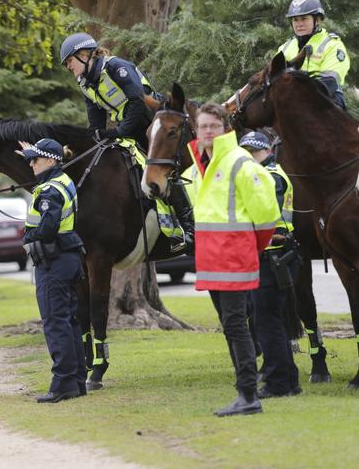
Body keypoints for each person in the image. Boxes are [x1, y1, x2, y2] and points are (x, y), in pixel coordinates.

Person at [60, 32, 194, 254]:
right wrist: (95, 140)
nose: (68, 67)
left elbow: (137, 102)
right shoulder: (84, 82)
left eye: (69, 61)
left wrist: (119, 131)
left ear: (84, 55)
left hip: (151, 123)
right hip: (128, 127)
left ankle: (190, 229)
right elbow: (95, 118)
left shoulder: (116, 67)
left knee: (162, 171)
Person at [191, 104, 280, 417]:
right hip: (213, 262)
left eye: (214, 126)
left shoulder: (238, 161)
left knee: (237, 327)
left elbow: (268, 212)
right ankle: (245, 393)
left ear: (225, 127)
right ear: (197, 130)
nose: (208, 132)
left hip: (234, 260)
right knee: (231, 327)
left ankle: (248, 395)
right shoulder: (204, 163)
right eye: (203, 126)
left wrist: (253, 247)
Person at [17, 138, 87, 403]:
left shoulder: (49, 191)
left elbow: (47, 229)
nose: (31, 164)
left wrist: (28, 237)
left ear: (50, 160)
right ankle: (77, 381)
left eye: (35, 159)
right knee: (69, 320)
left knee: (55, 322)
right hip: (68, 258)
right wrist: (27, 152)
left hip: (54, 262)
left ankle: (62, 384)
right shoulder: (63, 181)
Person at [239, 132, 302, 398]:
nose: (246, 160)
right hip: (275, 254)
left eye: (248, 154)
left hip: (274, 255)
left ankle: (278, 384)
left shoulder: (270, 176)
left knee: (268, 323)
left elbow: (265, 216)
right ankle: (289, 381)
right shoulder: (272, 172)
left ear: (259, 151)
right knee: (272, 321)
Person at [278, 0, 350, 109]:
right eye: (295, 20)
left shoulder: (332, 44)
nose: (299, 24)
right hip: (288, 103)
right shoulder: (284, 47)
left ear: (317, 20)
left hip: (326, 101)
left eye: (304, 18)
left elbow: (329, 82)